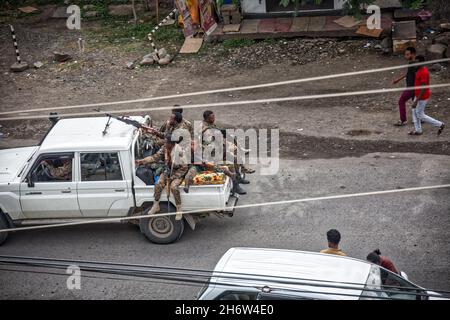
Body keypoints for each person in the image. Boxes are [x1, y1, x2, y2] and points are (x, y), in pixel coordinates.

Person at [135, 135, 189, 220]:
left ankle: (179, 209)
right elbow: (155, 157)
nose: (165, 143)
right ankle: (156, 205)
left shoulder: (180, 152)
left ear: (171, 144)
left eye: (166, 142)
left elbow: (184, 168)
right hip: (167, 171)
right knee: (158, 184)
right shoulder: (165, 148)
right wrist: (142, 161)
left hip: (178, 172)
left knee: (174, 187)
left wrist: (173, 177)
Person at [409, 55, 445, 136]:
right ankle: (418, 130)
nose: (415, 63)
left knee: (420, 115)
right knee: (414, 111)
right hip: (418, 95)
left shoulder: (424, 72)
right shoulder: (419, 69)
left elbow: (423, 88)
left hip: (422, 97)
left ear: (421, 62)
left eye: (416, 62)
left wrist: (416, 101)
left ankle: (440, 124)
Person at [392, 47, 417, 126]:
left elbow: (418, 75)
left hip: (411, 87)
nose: (405, 56)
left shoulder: (414, 64)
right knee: (415, 103)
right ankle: (418, 118)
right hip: (413, 87)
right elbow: (408, 73)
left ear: (413, 54)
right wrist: (398, 79)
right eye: (405, 54)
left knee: (401, 101)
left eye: (407, 54)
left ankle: (403, 120)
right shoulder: (412, 63)